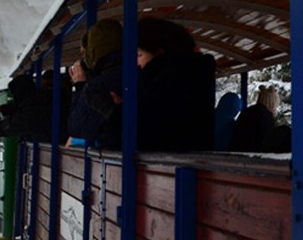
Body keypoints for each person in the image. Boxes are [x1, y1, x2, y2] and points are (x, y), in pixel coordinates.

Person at [133, 17, 216, 152]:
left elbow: (145, 133)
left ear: (159, 52)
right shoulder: (192, 76)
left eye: (139, 55)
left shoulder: (166, 84)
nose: (137, 63)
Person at [65, 19, 123, 149]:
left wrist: (80, 86)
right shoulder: (136, 71)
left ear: (94, 52)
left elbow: (77, 128)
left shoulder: (98, 86)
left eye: (85, 53)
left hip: (112, 156)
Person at [0, 73, 53, 142]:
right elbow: (20, 106)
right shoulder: (41, 98)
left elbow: (2, 129)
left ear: (19, 93)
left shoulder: (30, 113)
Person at [229, 85, 281, 152]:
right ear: (272, 104)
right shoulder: (266, 117)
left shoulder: (247, 112)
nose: (275, 109)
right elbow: (268, 141)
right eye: (275, 106)